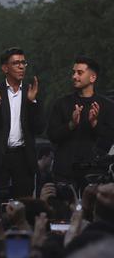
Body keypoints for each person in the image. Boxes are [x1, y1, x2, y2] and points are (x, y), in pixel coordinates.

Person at [0, 47, 46, 201]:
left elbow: (39, 128)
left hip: (24, 158)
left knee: (24, 205)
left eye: (23, 62)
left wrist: (32, 102)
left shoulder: (32, 91)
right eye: (16, 63)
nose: (21, 66)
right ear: (5, 68)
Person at [47, 56, 114, 189]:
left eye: (80, 73)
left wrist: (95, 123)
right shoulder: (62, 103)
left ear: (92, 77)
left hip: (94, 173)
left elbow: (110, 139)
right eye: (73, 72)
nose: (74, 76)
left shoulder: (107, 106)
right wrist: (71, 125)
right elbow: (52, 136)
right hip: (64, 172)